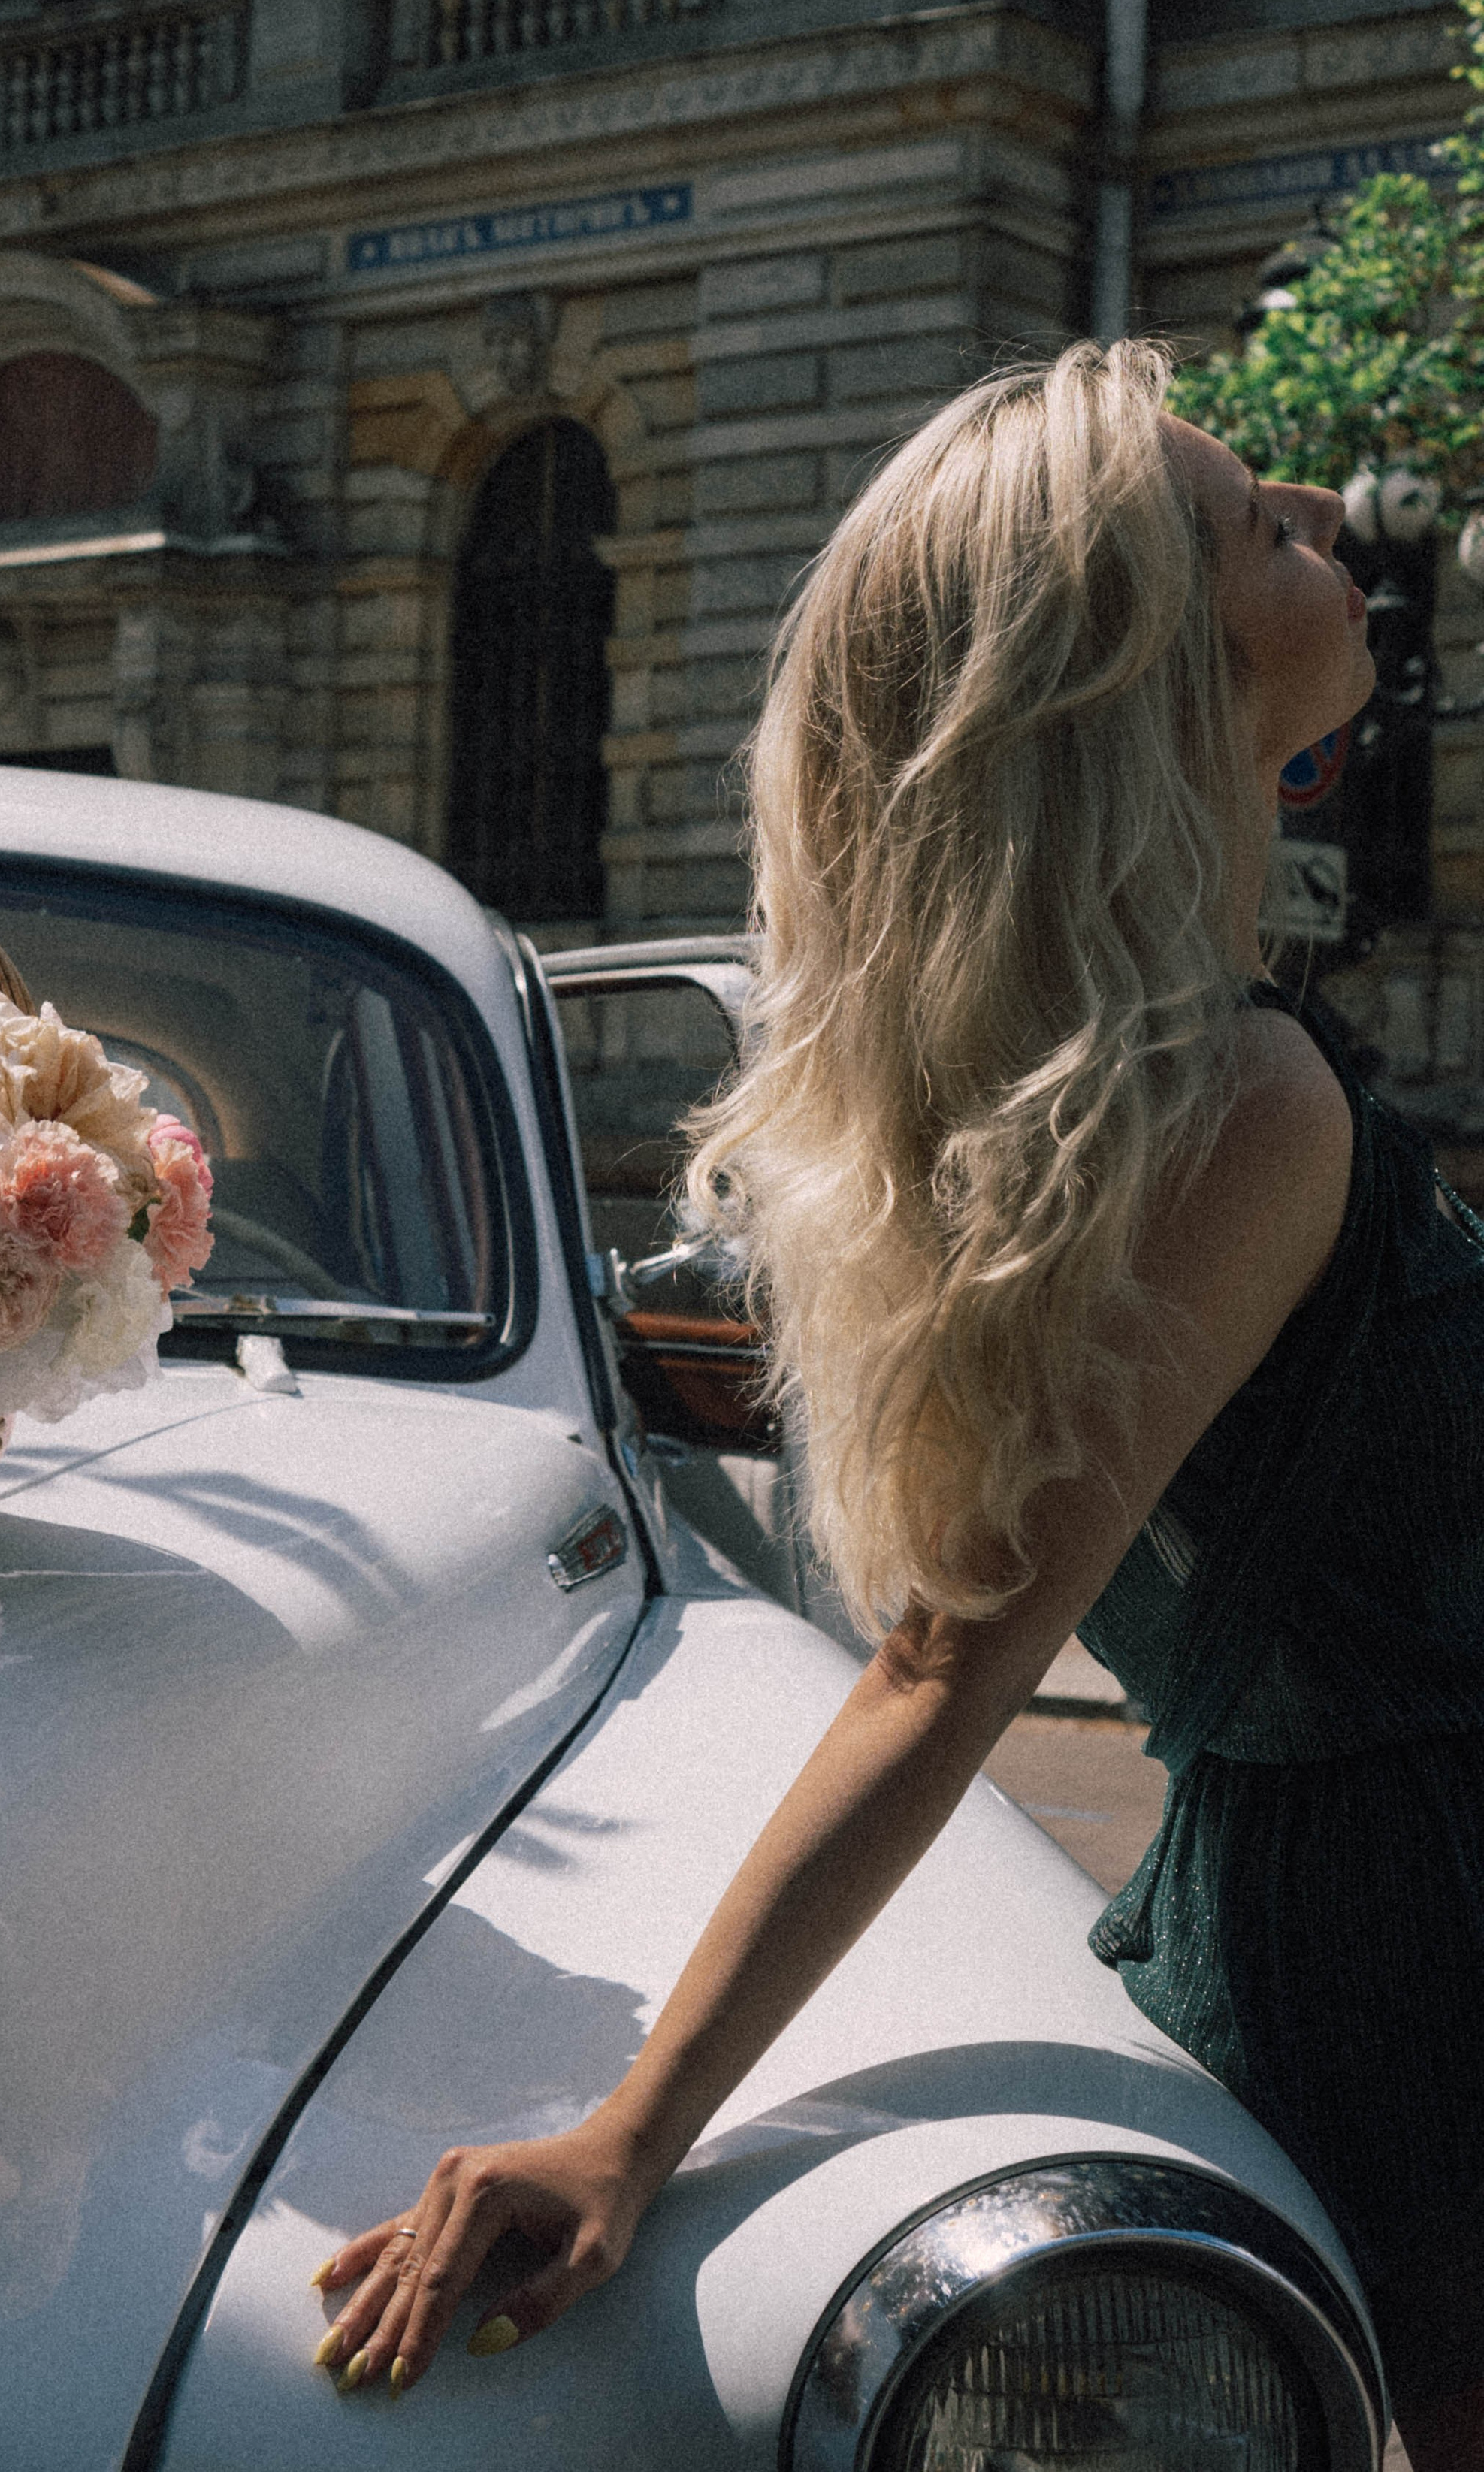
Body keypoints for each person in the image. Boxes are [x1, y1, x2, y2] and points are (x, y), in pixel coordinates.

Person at [307, 341, 1484, 2466]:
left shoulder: (1122, 1092)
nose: (1328, 518)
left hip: (1354, 1918)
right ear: (1157, 681)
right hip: (1434, 1946)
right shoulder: (1237, 1100)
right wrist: (633, 2130)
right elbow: (943, 1669)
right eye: (1259, 523)